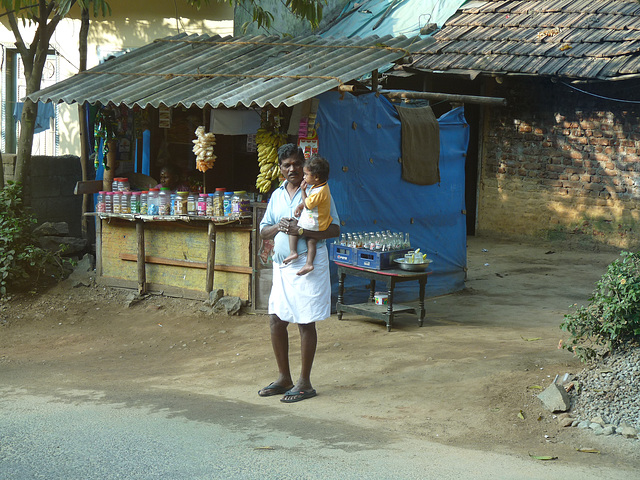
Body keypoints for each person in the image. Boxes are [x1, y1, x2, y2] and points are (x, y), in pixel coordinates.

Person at [258, 144, 340, 403]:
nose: (292, 169)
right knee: (276, 320)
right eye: (286, 165)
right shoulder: (277, 195)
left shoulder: (319, 190)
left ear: (304, 165)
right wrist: (278, 227)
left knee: (305, 321)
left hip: (308, 264)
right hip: (281, 265)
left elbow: (335, 229)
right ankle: (285, 378)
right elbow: (263, 230)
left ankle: (304, 382)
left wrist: (302, 232)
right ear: (280, 169)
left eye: (296, 164)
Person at [283, 155, 333, 276]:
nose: (303, 177)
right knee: (311, 241)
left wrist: (303, 191)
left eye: (306, 174)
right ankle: (309, 263)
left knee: (292, 225)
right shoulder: (320, 186)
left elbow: (308, 204)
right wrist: (300, 206)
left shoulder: (319, 191)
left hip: (315, 223)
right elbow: (308, 203)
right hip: (319, 222)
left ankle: (293, 251)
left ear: (316, 177)